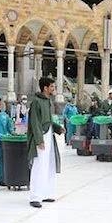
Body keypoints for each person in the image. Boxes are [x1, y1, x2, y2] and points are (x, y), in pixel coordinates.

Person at [27, 77, 64, 208]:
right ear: (45, 88)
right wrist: (39, 140)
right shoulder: (36, 102)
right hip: (41, 137)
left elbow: (47, 121)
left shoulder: (48, 101)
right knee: (39, 165)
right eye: (52, 87)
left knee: (49, 165)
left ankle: (47, 193)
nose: (54, 89)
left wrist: (58, 128)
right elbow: (35, 122)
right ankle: (35, 197)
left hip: (49, 136)